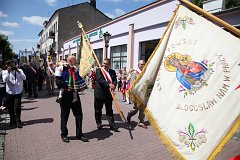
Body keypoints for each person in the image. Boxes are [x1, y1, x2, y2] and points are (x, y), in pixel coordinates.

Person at [55, 55, 88, 143]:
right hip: (66, 95)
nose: (75, 62)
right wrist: (68, 86)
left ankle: (79, 134)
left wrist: (80, 86)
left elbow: (77, 80)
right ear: (70, 61)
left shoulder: (75, 70)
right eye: (74, 61)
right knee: (64, 116)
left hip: (75, 95)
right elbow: (58, 82)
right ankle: (64, 134)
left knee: (79, 115)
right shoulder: (62, 68)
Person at [94, 58, 118, 131]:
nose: (104, 65)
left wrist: (114, 85)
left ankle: (112, 124)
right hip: (100, 93)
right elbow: (100, 79)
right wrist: (108, 84)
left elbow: (114, 80)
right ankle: (98, 123)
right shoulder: (99, 70)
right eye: (104, 63)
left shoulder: (112, 72)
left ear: (109, 64)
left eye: (106, 64)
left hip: (108, 94)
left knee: (109, 110)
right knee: (98, 110)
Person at [2, 59, 26, 128]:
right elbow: (5, 80)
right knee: (10, 108)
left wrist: (18, 71)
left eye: (13, 64)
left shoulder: (20, 71)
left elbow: (24, 78)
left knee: (17, 107)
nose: (12, 66)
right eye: (10, 65)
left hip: (18, 91)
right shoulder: (5, 72)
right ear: (8, 66)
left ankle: (18, 121)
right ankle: (12, 121)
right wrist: (8, 72)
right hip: (10, 92)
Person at [127, 60, 147, 128]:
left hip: (143, 94)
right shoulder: (135, 73)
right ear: (138, 65)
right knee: (136, 109)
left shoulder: (145, 73)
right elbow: (132, 84)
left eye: (143, 64)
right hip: (137, 94)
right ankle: (129, 114)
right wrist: (132, 94)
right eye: (141, 64)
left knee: (143, 108)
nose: (143, 65)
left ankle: (141, 121)